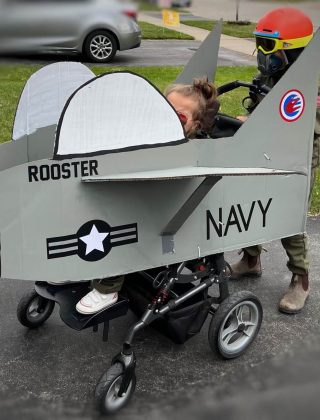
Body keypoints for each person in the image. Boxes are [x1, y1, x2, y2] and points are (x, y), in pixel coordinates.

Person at [76, 76, 220, 315]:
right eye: (163, 111)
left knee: (118, 219)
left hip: (164, 212)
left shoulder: (190, 150)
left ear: (195, 126)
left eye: (180, 118)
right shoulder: (150, 136)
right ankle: (77, 265)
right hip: (144, 198)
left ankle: (107, 287)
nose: (168, 120)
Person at [229, 7, 320, 314]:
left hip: (295, 162)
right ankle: (251, 259)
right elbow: (257, 112)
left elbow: (310, 135)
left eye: (267, 46)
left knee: (288, 219)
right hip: (261, 154)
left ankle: (300, 278)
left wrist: (297, 165)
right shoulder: (265, 77)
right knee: (251, 205)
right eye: (259, 43)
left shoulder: (311, 88)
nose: (260, 52)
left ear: (292, 51)